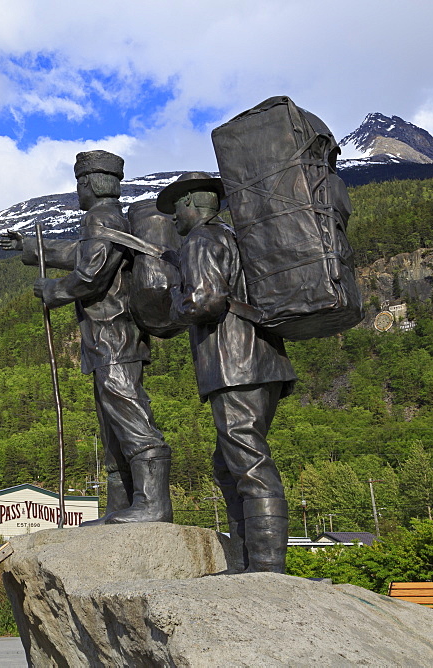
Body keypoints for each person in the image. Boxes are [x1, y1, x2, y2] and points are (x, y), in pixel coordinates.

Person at [0, 150, 172, 524]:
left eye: (80, 183)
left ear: (91, 183)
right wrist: (30, 247)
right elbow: (81, 254)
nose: (78, 192)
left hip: (114, 333)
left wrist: (53, 291)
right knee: (112, 425)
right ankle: (122, 507)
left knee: (129, 414)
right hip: (106, 336)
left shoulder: (101, 217)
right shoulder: (105, 221)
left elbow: (92, 272)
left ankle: (153, 505)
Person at [159, 171, 297, 572]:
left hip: (235, 364)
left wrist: (173, 298)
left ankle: (267, 567)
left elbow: (205, 302)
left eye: (176, 209)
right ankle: (247, 559)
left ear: (191, 205)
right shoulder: (235, 238)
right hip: (265, 361)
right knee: (228, 462)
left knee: (248, 462)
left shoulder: (200, 240)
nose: (172, 220)